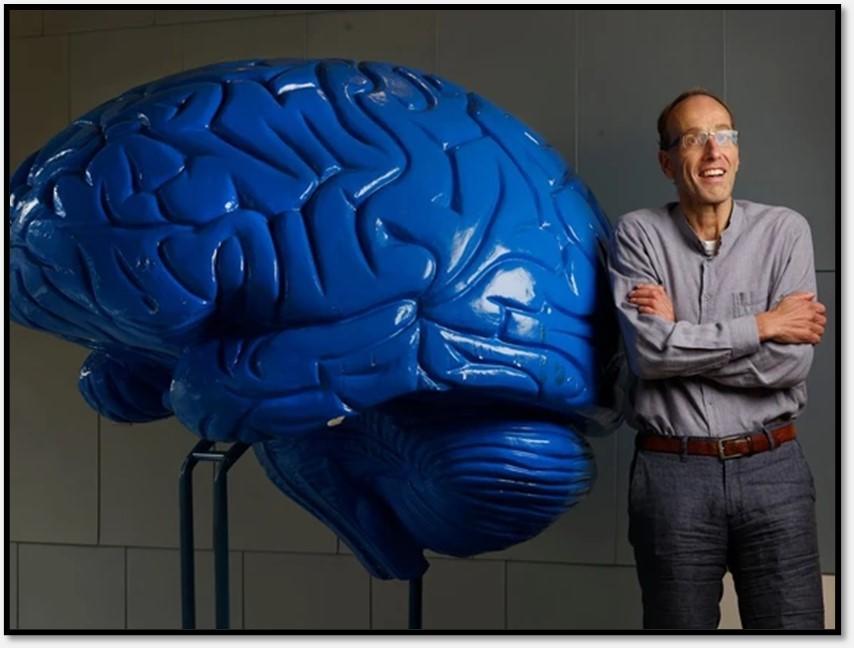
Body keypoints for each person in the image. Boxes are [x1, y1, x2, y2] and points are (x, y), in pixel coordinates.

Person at [607, 88, 827, 630]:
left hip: (773, 469)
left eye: (724, 135)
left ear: (738, 152)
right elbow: (647, 354)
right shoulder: (638, 234)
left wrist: (678, 339)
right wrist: (764, 325)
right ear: (666, 162)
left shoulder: (785, 231)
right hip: (672, 474)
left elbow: (790, 366)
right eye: (693, 138)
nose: (713, 151)